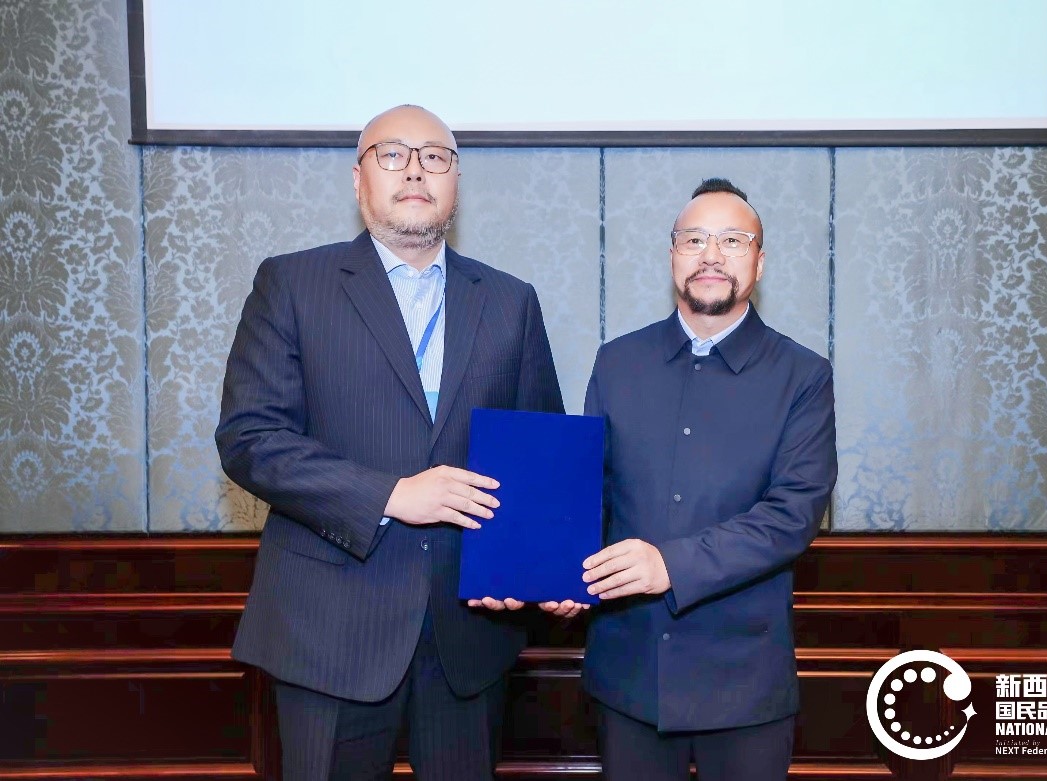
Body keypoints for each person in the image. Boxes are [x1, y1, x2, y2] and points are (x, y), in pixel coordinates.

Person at [216, 104, 564, 780]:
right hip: (329, 631)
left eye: (435, 157)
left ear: (455, 182)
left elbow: (538, 452)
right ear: (359, 179)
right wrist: (391, 494)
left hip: (469, 630)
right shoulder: (292, 283)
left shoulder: (509, 299)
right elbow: (250, 438)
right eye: (393, 154)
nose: (415, 170)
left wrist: (532, 572)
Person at [562, 178, 837, 780]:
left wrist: (671, 564)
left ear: (759, 261)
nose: (711, 254)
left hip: (744, 683)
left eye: (732, 240)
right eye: (694, 239)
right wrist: (559, 574)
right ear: (672, 256)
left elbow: (792, 516)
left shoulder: (803, 376)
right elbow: (588, 498)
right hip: (628, 672)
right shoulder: (618, 361)